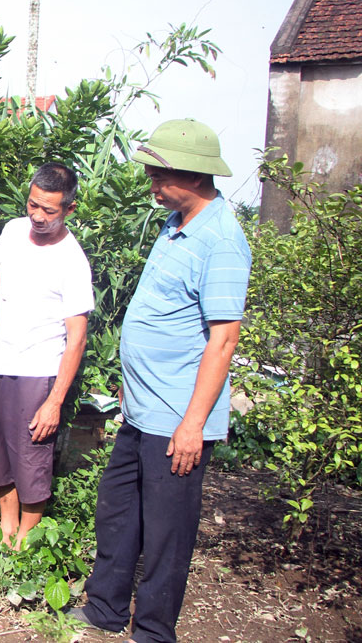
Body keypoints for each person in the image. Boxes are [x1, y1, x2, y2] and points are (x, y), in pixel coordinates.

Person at [69, 119, 252, 643]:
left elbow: (222, 341)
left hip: (177, 419)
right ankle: (104, 608)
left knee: (167, 534)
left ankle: (152, 630)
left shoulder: (220, 240)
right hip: (144, 408)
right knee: (119, 510)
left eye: (158, 174)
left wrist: (193, 425)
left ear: (191, 176)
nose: (151, 183)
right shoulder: (177, 224)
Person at [0, 162, 93, 549]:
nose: (38, 217)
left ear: (69, 210)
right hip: (3, 363)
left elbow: (76, 337)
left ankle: (26, 542)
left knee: (31, 457)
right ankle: (7, 528)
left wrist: (55, 401)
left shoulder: (72, 260)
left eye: (49, 210)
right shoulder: (13, 232)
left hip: (39, 371)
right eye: (33, 205)